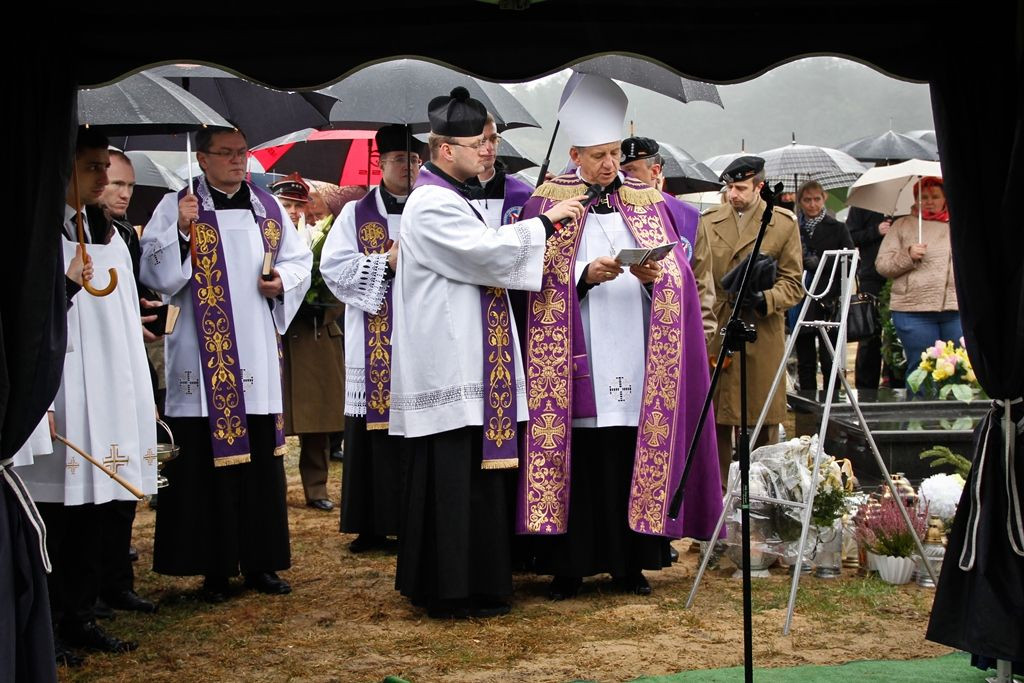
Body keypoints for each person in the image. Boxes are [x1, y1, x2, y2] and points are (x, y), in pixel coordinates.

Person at [517, 74, 722, 600]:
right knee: (581, 456)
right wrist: (583, 277)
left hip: (635, 353)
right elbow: (526, 279)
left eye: (615, 153)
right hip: (576, 352)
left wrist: (657, 280)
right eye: (599, 155)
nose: (611, 165)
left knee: (630, 451)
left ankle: (631, 564)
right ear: (574, 153)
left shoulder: (648, 202)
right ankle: (569, 567)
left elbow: (680, 276)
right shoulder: (546, 203)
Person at [387, 87, 583, 618]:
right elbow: (486, 254)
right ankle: (448, 589)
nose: (490, 150)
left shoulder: (453, 198)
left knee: (478, 481)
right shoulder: (429, 204)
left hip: (476, 360)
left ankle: (482, 582)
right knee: (453, 483)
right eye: (481, 142)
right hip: (448, 368)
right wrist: (545, 222)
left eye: (492, 140)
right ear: (445, 150)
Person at [140, 125, 312, 602]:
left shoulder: (268, 207)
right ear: (204, 159)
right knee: (203, 468)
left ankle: (261, 564)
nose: (239, 162)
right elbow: (156, 274)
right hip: (201, 355)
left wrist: (283, 282)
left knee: (258, 466)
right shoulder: (178, 205)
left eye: (243, 153)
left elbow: (300, 263)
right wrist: (178, 229)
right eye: (227, 154)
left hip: (255, 349)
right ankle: (212, 567)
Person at [17, 127, 157, 661]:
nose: (103, 177)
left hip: (112, 383)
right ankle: (47, 623)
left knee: (101, 509)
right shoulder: (40, 231)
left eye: (105, 166)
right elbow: (29, 315)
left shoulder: (112, 232)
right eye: (92, 167)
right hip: (67, 388)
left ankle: (80, 613)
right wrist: (69, 282)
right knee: (59, 515)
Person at [319, 124, 418, 550]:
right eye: (400, 160)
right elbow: (334, 270)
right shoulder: (355, 213)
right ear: (381, 163)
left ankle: (414, 518)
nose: (409, 168)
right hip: (373, 339)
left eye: (415, 160)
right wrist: (386, 263)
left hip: (420, 333)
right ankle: (372, 524)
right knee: (372, 430)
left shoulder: (433, 208)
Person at [699, 156, 803, 484]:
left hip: (761, 330)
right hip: (720, 328)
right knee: (715, 423)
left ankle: (762, 505)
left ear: (759, 186)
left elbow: (794, 282)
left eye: (741, 187)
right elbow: (701, 277)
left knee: (761, 425)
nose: (733, 194)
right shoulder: (709, 220)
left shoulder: (782, 223)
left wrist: (764, 300)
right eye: (729, 187)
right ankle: (716, 509)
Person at [92, 150, 159, 615]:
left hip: (126, 362)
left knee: (122, 482)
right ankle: (85, 590)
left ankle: (118, 579)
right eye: (114, 181)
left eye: (129, 186)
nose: (121, 192)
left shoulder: (120, 235)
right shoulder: (65, 231)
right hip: (88, 368)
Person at [272, 173, 344, 512]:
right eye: (286, 205)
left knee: (317, 420)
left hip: (316, 336)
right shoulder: (267, 242)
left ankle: (316, 488)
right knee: (275, 419)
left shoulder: (319, 239)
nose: (293, 212)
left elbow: (341, 281)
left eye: (298, 206)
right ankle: (274, 486)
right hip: (283, 338)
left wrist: (324, 308)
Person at [621, 136, 717, 343]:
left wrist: (701, 335)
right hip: (621, 328)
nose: (623, 177)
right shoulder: (608, 212)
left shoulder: (687, 217)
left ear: (654, 171)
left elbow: (701, 282)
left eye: (630, 170)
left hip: (674, 331)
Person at [874, 176, 960, 388]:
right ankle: (918, 420)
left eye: (935, 196)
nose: (929, 201)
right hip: (913, 310)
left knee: (956, 370)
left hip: (954, 309)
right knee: (921, 369)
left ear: (945, 198)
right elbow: (882, 265)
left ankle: (953, 418)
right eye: (923, 197)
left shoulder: (959, 223)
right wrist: (908, 255)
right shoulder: (903, 225)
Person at [792, 180, 854, 398]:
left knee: (830, 358)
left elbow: (849, 260)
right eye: (807, 200)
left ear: (824, 198)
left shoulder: (837, 227)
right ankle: (807, 408)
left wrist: (822, 263)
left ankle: (832, 403)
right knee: (805, 359)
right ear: (800, 202)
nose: (812, 204)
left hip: (829, 298)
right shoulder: (794, 228)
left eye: (816, 199)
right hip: (802, 298)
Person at [846, 206, 892, 391]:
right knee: (869, 334)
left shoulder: (905, 204)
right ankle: (866, 387)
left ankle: (891, 380)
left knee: (895, 334)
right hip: (871, 275)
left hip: (898, 275)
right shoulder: (863, 205)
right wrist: (876, 231)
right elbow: (850, 236)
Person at [465, 113, 534, 228]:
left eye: (493, 139)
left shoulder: (523, 193)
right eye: (482, 141)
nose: (490, 147)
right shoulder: (452, 190)